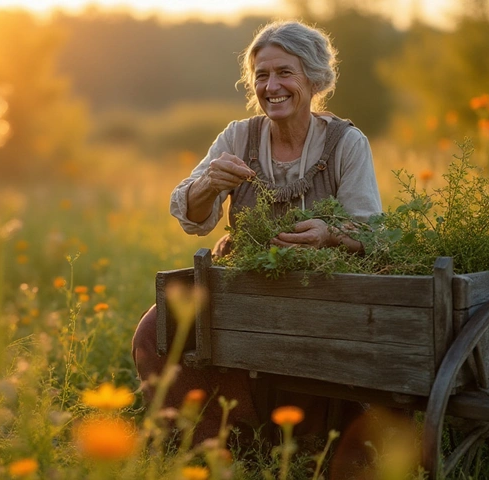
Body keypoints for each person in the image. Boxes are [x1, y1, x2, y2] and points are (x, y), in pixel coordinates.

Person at [132, 20, 382, 447]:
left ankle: (294, 443)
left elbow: (372, 233)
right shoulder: (238, 136)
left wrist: (329, 232)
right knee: (155, 332)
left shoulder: (346, 143)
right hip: (243, 287)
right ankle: (221, 443)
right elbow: (191, 217)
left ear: (315, 78)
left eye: (285, 72)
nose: (272, 86)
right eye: (262, 75)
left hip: (319, 291)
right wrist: (209, 183)